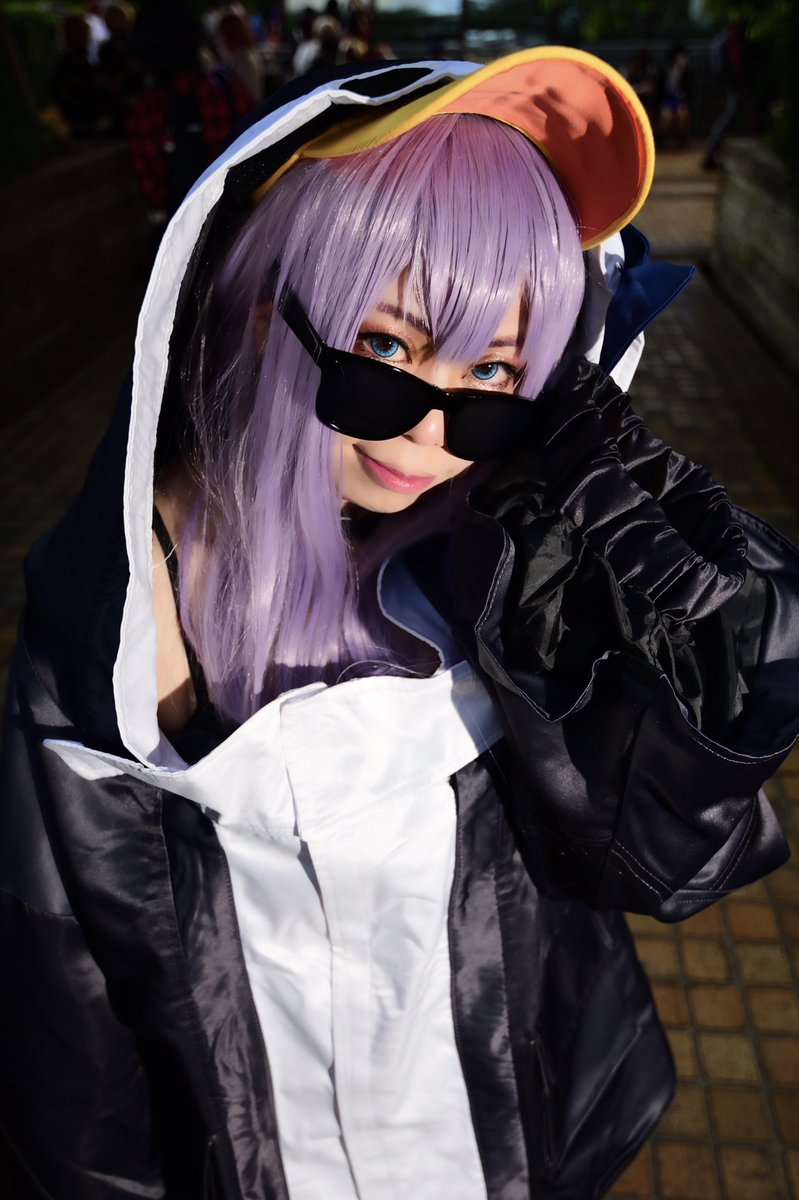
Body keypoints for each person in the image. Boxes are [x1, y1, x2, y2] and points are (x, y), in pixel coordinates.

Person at [1, 47, 797, 1200]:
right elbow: (71, 1053)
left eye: (493, 375)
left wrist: (712, 652)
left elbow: (664, 862)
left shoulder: (499, 558)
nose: (429, 432)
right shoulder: (125, 639)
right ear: (264, 316)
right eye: (383, 352)